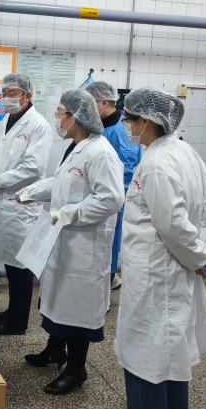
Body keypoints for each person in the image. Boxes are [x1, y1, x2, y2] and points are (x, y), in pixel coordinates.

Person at [111, 86, 206, 409]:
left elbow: (171, 225)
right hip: (175, 269)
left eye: (129, 119)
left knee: (145, 351)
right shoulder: (185, 152)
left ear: (147, 120)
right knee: (172, 344)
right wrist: (202, 254)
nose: (126, 125)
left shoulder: (156, 163)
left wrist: (197, 257)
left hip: (156, 273)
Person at [15, 90, 124, 395]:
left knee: (76, 310)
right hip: (63, 240)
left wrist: (66, 214)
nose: (57, 119)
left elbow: (111, 199)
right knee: (57, 300)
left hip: (84, 247)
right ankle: (55, 351)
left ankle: (76, 370)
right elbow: (61, 183)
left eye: (60, 113)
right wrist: (30, 192)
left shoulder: (100, 152)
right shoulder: (77, 147)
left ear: (75, 117)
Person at [0, 73, 52, 336]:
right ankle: (12, 311)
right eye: (4, 93)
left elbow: (34, 167)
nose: (6, 98)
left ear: (27, 95)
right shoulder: (6, 120)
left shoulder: (39, 125)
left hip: (22, 203)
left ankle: (18, 322)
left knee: (21, 265)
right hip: (3, 200)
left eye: (12, 93)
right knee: (10, 262)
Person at [84, 81, 141, 291]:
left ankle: (105, 289)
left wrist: (117, 204)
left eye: (90, 104)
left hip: (113, 203)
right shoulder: (101, 126)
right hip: (98, 197)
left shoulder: (120, 129)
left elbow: (128, 169)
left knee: (108, 247)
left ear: (104, 102)